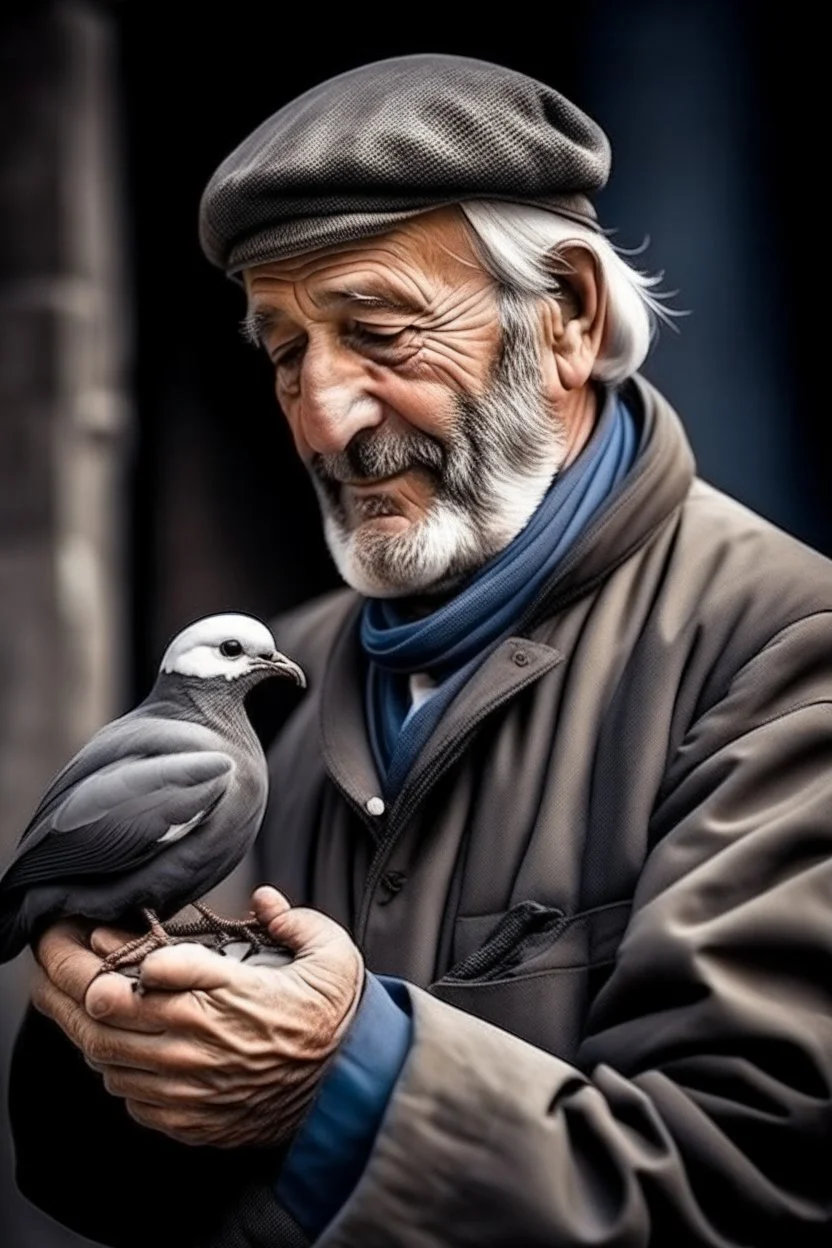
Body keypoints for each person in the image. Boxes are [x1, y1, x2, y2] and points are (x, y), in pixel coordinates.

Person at [8, 52, 832, 1248]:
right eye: (288, 351)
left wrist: (339, 1083)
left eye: (377, 331)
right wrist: (118, 1043)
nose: (325, 416)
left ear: (569, 318)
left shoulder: (782, 652)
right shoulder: (282, 671)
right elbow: (98, 1193)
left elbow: (755, 1181)